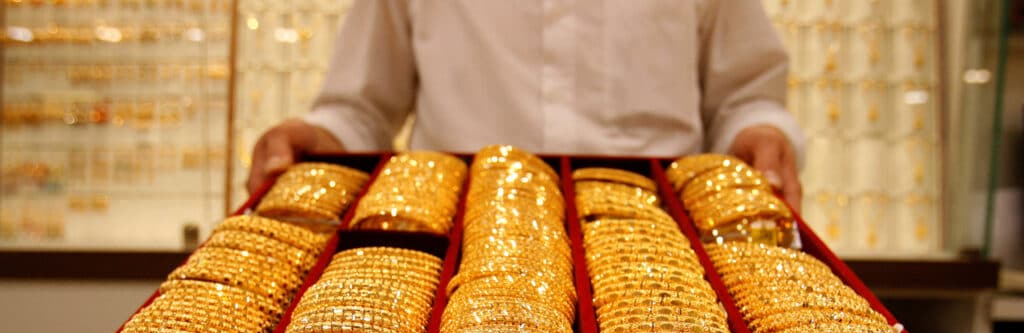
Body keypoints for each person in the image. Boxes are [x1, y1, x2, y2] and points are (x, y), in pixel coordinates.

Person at [247, 0, 804, 209]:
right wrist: (325, 139)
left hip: (660, 253)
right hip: (460, 260)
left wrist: (760, 132)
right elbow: (363, 106)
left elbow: (744, 94)